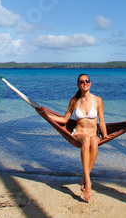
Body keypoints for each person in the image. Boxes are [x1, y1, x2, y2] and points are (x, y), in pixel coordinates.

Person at [46, 73, 108, 202]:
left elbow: (101, 121)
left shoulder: (98, 100)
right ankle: (88, 182)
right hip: (79, 134)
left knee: (94, 142)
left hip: (94, 134)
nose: (85, 83)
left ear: (90, 83)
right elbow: (64, 119)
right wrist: (46, 115)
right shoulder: (74, 101)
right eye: (82, 81)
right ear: (78, 85)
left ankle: (85, 178)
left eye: (87, 80)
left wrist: (106, 135)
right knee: (86, 140)